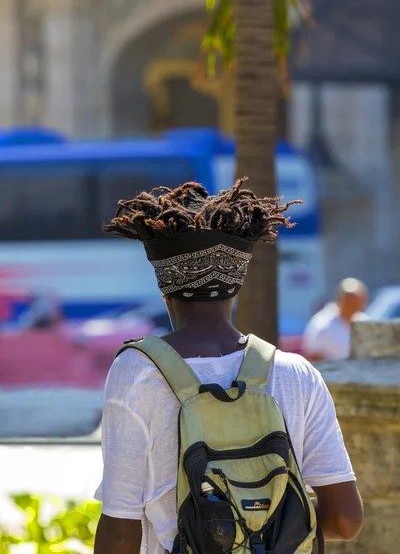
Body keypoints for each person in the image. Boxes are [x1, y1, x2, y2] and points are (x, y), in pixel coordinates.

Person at [94, 180, 363, 554]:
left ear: (164, 289)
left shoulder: (138, 372)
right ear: (235, 287)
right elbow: (345, 521)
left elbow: (120, 530)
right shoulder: (296, 373)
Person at [302, 278, 369, 362]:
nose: (353, 305)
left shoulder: (364, 322)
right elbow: (312, 358)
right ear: (340, 299)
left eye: (357, 302)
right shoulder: (322, 325)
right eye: (350, 301)